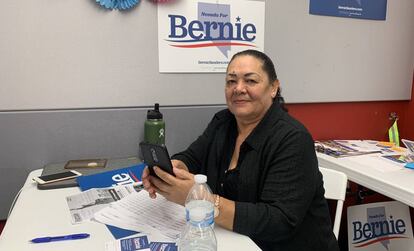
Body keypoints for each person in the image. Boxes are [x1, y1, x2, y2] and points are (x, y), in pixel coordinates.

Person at [142, 49, 340, 251]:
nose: (238, 88)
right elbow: (192, 157)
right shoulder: (223, 121)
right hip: (236, 241)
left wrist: (203, 201)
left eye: (251, 81)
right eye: (231, 81)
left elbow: (279, 221)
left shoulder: (293, 139)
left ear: (274, 88)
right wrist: (173, 169)